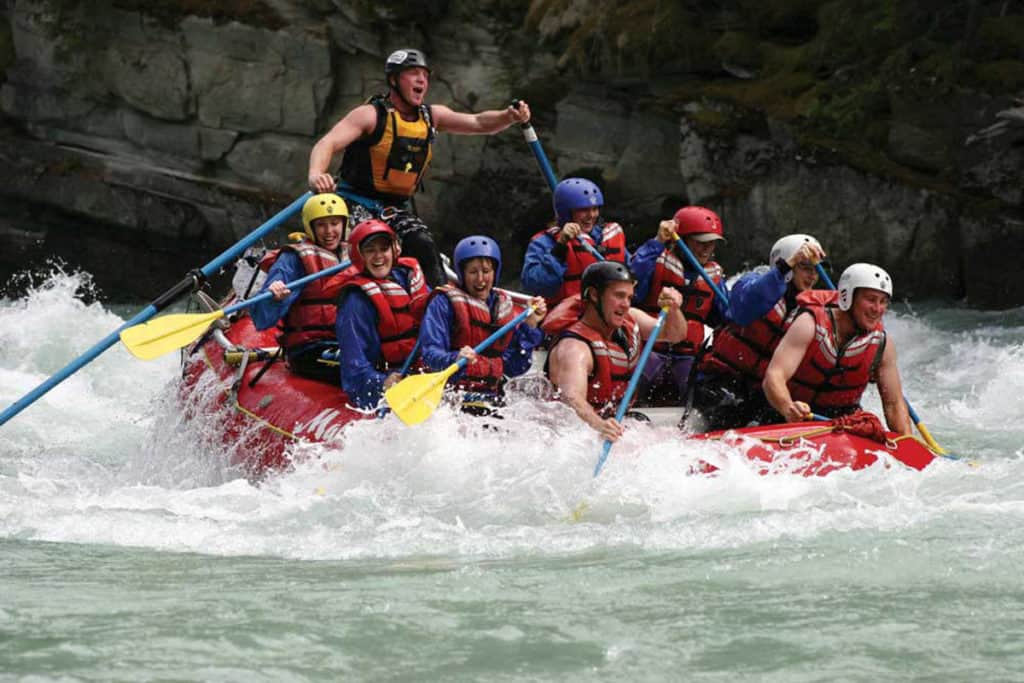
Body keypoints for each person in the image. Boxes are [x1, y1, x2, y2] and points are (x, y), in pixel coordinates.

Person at [307, 48, 532, 288]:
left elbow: (477, 123)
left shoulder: (432, 116)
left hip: (394, 208)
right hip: (354, 202)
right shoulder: (370, 115)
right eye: (413, 74)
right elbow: (327, 143)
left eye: (424, 75)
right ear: (394, 80)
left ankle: (441, 307)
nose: (421, 80)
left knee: (423, 244)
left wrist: (508, 117)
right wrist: (316, 174)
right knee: (361, 248)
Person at [692, 234, 827, 430]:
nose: (813, 276)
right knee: (726, 411)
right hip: (721, 379)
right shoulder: (751, 283)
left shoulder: (812, 308)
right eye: (805, 268)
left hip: (765, 390)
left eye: (816, 270)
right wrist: (786, 267)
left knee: (780, 417)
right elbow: (743, 310)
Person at [762, 263, 912, 435]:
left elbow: (893, 404)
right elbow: (774, 376)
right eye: (870, 299)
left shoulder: (882, 345)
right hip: (791, 417)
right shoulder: (809, 324)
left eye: (883, 301)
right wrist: (787, 407)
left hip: (843, 426)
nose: (877, 309)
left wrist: (908, 444)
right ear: (847, 297)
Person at [544, 262, 686, 443]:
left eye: (629, 297)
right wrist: (600, 426)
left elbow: (675, 334)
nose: (626, 305)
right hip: (575, 435)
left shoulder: (630, 319)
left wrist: (673, 310)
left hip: (615, 422)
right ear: (594, 295)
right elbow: (572, 399)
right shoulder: (574, 347)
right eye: (619, 296)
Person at [419, 235, 547, 410]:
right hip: (452, 400)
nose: (480, 279)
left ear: (495, 272)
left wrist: (530, 325)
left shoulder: (503, 305)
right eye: (473, 272)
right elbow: (429, 354)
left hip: (493, 399)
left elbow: (514, 367)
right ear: (462, 273)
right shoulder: (444, 303)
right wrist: (455, 359)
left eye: (486, 271)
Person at [628, 206, 728, 406]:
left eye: (711, 243)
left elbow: (726, 317)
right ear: (680, 239)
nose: (707, 249)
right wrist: (657, 241)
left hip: (688, 358)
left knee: (704, 392)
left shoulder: (713, 275)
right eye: (700, 242)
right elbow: (632, 280)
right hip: (650, 352)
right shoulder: (655, 260)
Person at [251, 193, 349, 383]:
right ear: (310, 227)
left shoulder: (356, 254)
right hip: (309, 348)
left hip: (348, 342)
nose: (329, 231)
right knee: (356, 365)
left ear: (344, 224)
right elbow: (261, 320)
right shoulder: (294, 258)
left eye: (335, 223)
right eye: (321, 225)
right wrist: (274, 298)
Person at [335, 220, 430, 409]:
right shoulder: (355, 301)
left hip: (423, 377)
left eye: (384, 249)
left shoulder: (410, 279)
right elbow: (354, 366)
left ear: (393, 251)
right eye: (370, 250)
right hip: (386, 380)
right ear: (358, 255)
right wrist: (382, 383)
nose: (379, 256)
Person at [521, 177, 629, 306]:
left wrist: (656, 244)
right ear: (566, 212)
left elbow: (634, 277)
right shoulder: (543, 242)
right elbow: (538, 286)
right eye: (584, 210)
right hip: (566, 318)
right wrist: (560, 247)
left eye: (595, 209)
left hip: (608, 314)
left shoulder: (607, 236)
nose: (591, 215)